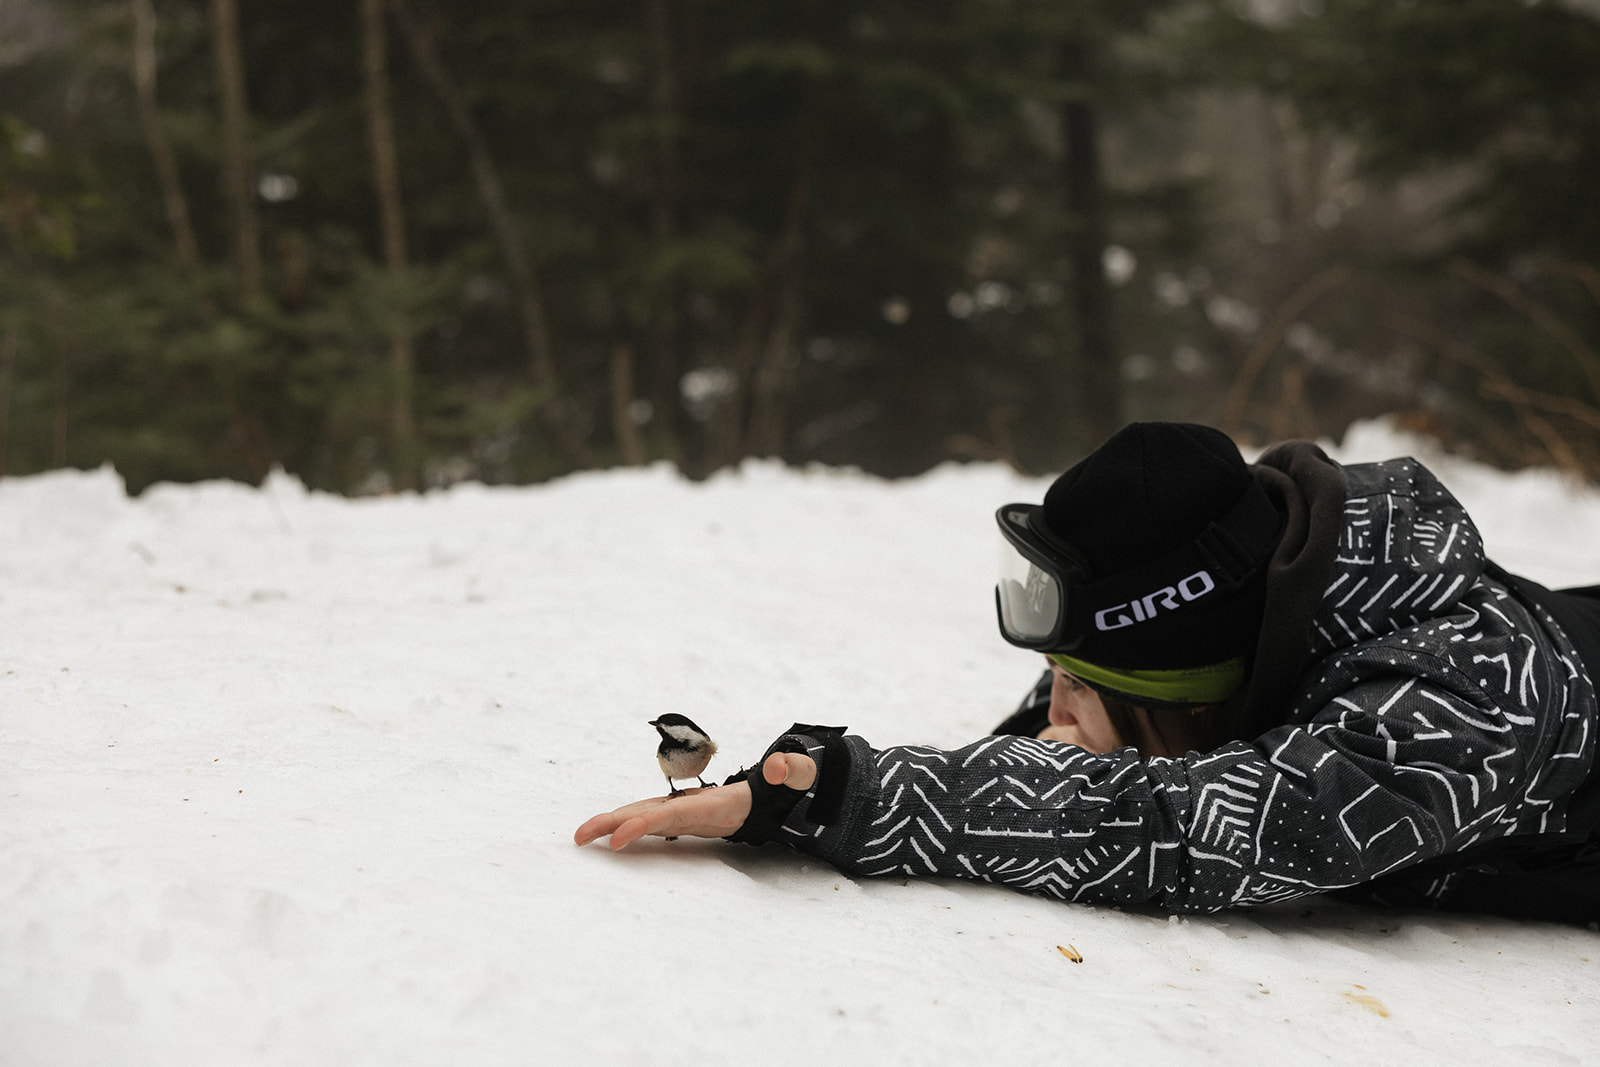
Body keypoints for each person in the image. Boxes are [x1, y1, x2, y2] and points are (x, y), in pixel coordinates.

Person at [576, 423, 1600, 924]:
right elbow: (1036, 767)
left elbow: (1179, 829)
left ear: (1201, 665)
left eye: (1092, 677)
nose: (1055, 698)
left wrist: (847, 791)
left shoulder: (1464, 698)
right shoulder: (1240, 627)